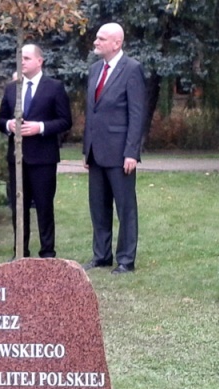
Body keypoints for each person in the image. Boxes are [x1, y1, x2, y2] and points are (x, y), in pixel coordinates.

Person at [81, 22, 147, 275]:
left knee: (125, 208)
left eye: (101, 38)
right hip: (97, 152)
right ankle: (101, 256)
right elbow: (92, 112)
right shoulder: (95, 69)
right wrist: (87, 150)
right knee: (98, 207)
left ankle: (126, 260)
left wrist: (131, 152)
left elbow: (136, 114)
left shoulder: (132, 69)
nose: (95, 42)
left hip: (120, 153)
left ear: (116, 43)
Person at [0, 44, 72, 259]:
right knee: (18, 207)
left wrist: (41, 127)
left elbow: (66, 121)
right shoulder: (12, 88)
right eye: (20, 58)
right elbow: (0, 120)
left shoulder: (54, 87)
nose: (22, 62)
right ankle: (20, 251)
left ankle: (47, 252)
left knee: (44, 206)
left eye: (27, 58)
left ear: (40, 61)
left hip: (43, 158)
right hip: (17, 159)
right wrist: (8, 125)